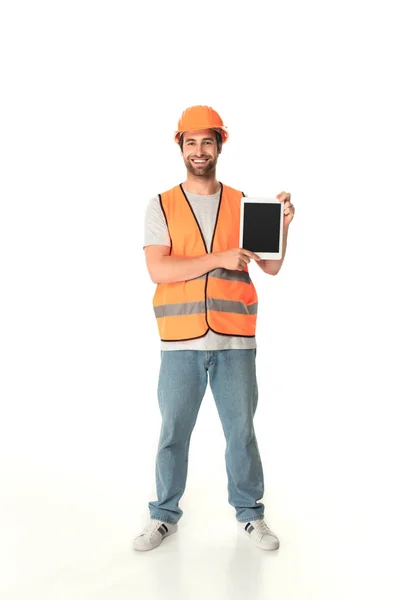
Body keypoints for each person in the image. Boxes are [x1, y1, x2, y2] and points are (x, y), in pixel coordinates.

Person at [133, 105, 295, 552]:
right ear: (180, 147)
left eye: (207, 141)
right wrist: (218, 258)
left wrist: (283, 228)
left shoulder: (244, 204)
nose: (199, 150)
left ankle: (251, 515)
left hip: (235, 340)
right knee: (173, 433)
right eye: (191, 142)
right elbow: (158, 269)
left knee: (240, 430)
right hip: (180, 343)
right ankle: (163, 516)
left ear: (219, 145)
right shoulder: (161, 205)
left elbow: (273, 266)